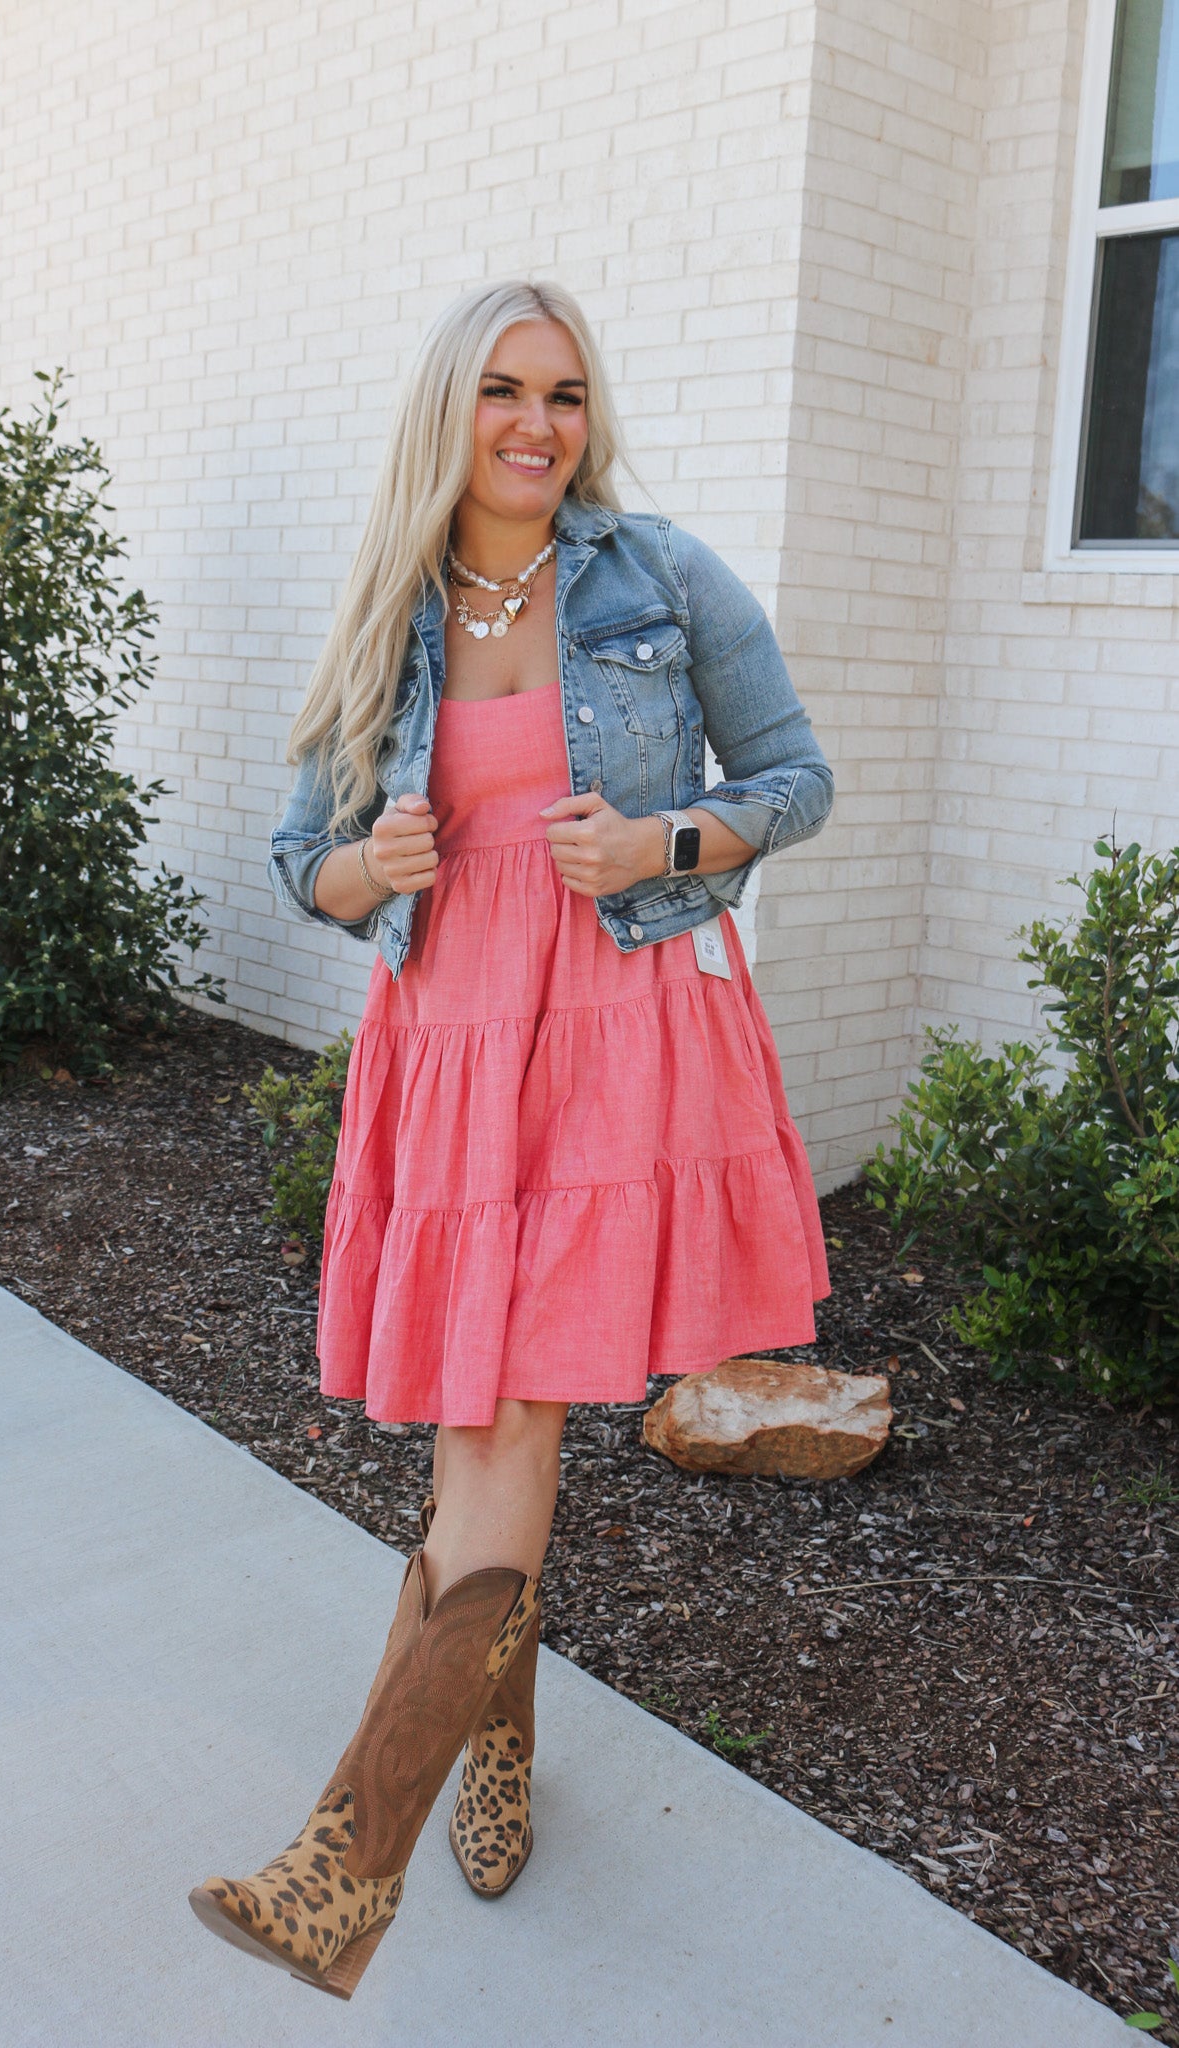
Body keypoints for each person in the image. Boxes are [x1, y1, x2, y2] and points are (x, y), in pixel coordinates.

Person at [189, 280, 835, 1998]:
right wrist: (369, 867)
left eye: (561, 392)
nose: (536, 424)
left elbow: (791, 777)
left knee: (504, 1413)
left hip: (616, 1037)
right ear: (447, 411)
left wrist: (661, 844)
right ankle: (493, 1742)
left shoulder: (658, 575)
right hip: (454, 1053)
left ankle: (347, 1867)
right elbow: (302, 861)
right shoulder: (389, 603)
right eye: (500, 390)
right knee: (485, 1413)